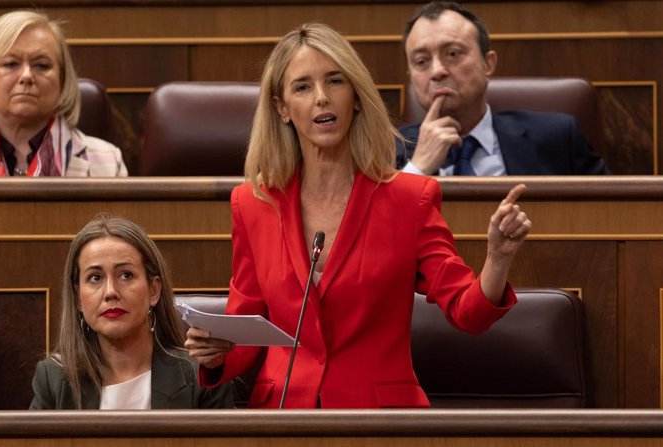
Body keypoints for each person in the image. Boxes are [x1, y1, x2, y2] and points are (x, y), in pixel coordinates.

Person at [185, 23, 531, 409]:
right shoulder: (253, 203)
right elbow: (247, 334)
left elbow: (469, 313)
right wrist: (215, 356)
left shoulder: (410, 199)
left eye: (334, 81)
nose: (321, 98)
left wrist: (498, 256)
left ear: (356, 96)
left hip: (379, 419)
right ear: (282, 108)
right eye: (302, 87)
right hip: (282, 416)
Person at [30, 215, 233, 409]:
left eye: (126, 275)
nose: (110, 292)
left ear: (154, 290)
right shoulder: (54, 379)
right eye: (95, 278)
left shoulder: (200, 376)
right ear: (78, 298)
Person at [397, 1, 609, 176]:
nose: (437, 71)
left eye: (452, 54)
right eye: (421, 61)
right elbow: (371, 226)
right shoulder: (386, 151)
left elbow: (612, 214)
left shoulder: (556, 138)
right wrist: (417, 168)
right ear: (410, 75)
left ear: (488, 64)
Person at [0, 11, 127, 177]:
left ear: (62, 80)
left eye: (41, 65)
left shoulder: (108, 162)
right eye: (11, 64)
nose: (26, 76)